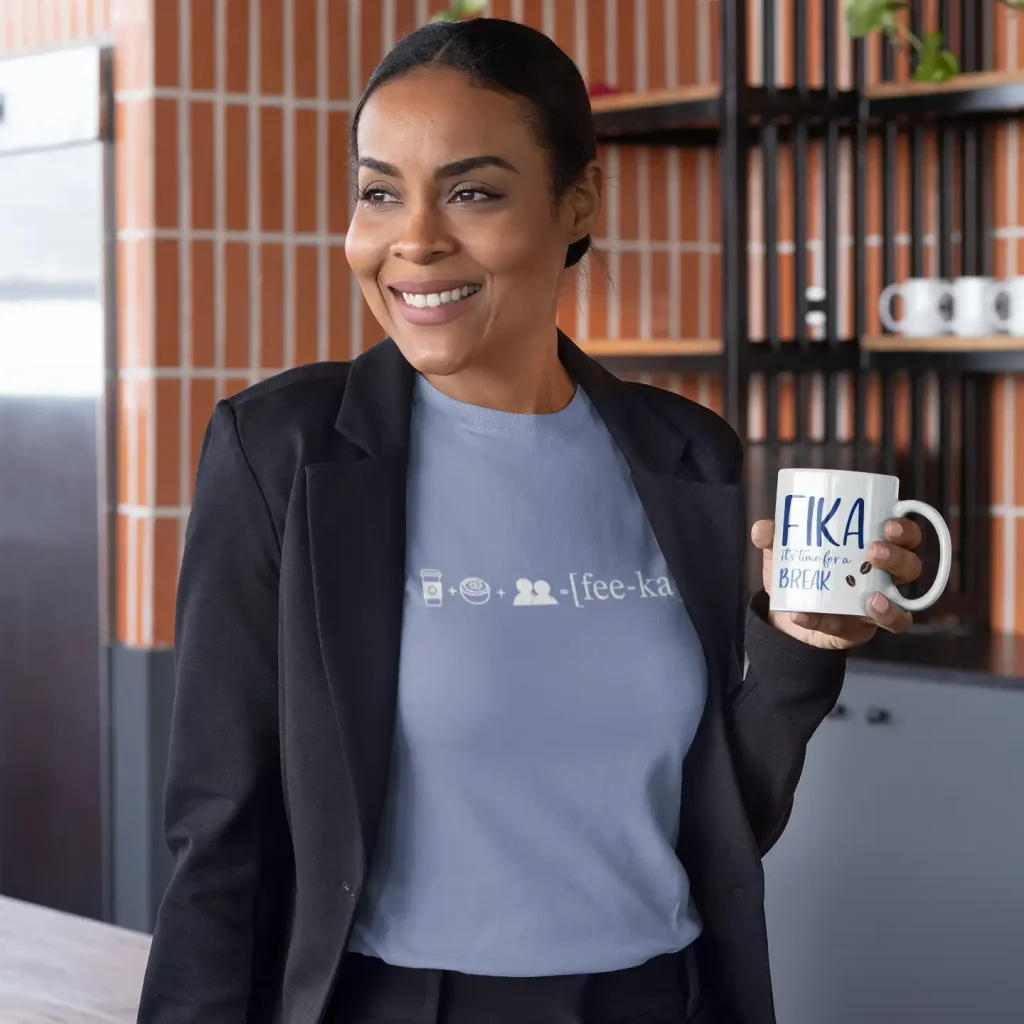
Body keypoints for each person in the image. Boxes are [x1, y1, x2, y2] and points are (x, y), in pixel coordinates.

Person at [136, 18, 925, 1024]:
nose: (413, 239)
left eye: (471, 190)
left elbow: (720, 828)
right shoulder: (281, 454)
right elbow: (219, 836)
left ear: (576, 201)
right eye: (380, 191)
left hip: (660, 997)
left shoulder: (687, 455)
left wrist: (800, 648)